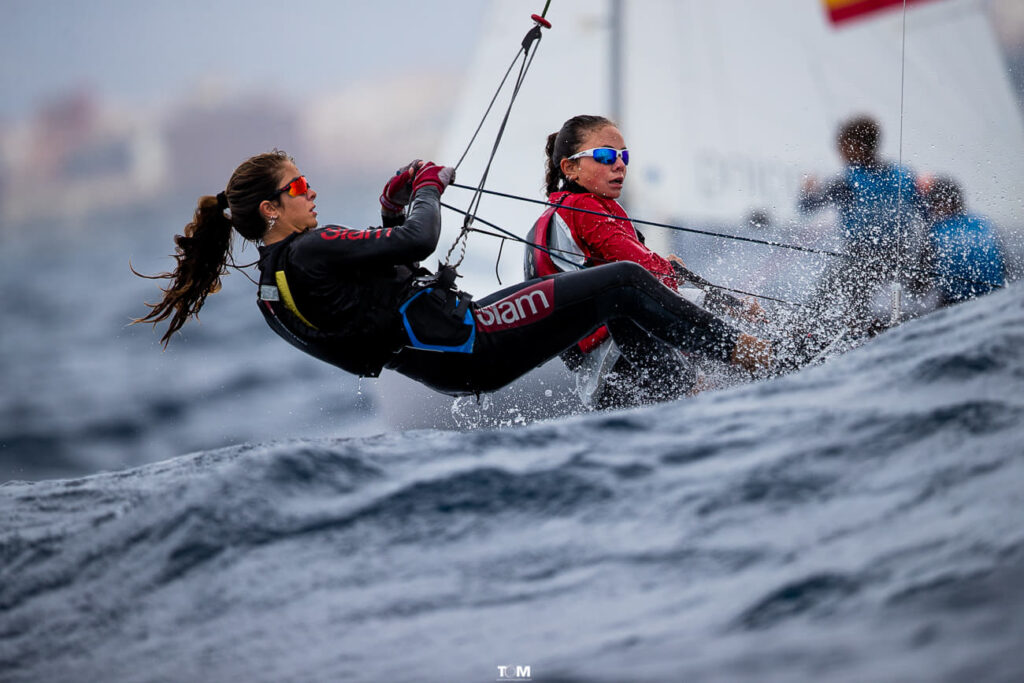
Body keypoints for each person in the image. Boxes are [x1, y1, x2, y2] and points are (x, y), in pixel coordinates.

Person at [135, 149, 771, 397]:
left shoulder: (273, 288)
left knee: (607, 300)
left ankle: (666, 398)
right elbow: (421, 239)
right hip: (472, 338)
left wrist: (391, 207)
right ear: (271, 209)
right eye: (298, 186)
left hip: (448, 363)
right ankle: (754, 357)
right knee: (623, 281)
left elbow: (384, 282)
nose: (311, 191)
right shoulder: (312, 248)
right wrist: (428, 187)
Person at [524, 115, 765, 408]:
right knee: (642, 298)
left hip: (602, 374)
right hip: (620, 357)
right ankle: (754, 356)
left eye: (623, 156)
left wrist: (727, 301)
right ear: (570, 168)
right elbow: (645, 273)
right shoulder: (584, 209)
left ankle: (749, 345)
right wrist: (669, 269)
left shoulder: (564, 210)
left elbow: (641, 268)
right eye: (605, 156)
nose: (619, 165)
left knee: (685, 299)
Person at [793, 115, 926, 356]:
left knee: (824, 296)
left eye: (842, 145)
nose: (839, 152)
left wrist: (807, 190)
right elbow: (927, 214)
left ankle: (800, 338)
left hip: (861, 258)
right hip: (902, 257)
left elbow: (807, 207)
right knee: (890, 305)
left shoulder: (847, 181)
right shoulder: (905, 176)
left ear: (856, 145)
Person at [921, 176, 1005, 306]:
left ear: (939, 204)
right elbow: (1003, 263)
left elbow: (922, 282)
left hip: (957, 300)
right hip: (996, 295)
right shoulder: (984, 222)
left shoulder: (936, 231)